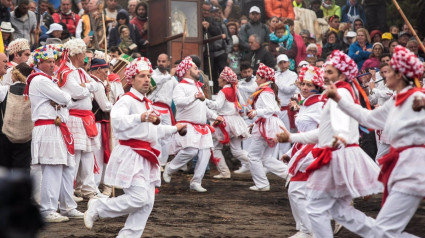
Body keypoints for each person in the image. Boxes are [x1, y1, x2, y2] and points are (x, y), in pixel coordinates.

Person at [276, 50, 382, 238]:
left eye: (330, 72)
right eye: (325, 71)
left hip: (335, 154)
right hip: (336, 151)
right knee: (339, 211)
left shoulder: (339, 92)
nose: (324, 75)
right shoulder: (340, 91)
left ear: (342, 75)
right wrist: (292, 139)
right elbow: (323, 130)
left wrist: (339, 135)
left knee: (316, 206)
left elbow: (339, 120)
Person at [324, 45, 424, 238]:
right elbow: (367, 118)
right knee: (385, 232)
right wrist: (338, 98)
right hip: (402, 167)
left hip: (413, 168)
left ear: (400, 75)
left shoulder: (417, 97)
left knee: (383, 231)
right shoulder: (396, 101)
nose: (384, 74)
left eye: (389, 70)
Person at [84, 57, 186, 237]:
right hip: (131, 154)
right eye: (141, 76)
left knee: (147, 203)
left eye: (148, 75)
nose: (147, 79)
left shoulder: (147, 103)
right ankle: (99, 206)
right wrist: (141, 117)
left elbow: (152, 131)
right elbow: (117, 121)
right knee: (139, 198)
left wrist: (174, 129)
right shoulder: (126, 100)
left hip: (146, 155)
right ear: (131, 79)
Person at [26, 45, 84, 222]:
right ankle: (47, 209)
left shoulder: (48, 81)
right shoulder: (40, 80)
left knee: (67, 167)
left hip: (58, 127)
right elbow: (66, 99)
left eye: (53, 61)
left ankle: (68, 206)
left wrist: (62, 101)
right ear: (39, 63)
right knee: (52, 167)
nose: (52, 65)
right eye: (48, 62)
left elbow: (67, 104)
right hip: (48, 128)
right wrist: (62, 100)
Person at [163, 56, 223, 192]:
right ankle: (170, 168)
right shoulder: (180, 86)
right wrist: (194, 97)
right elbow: (178, 102)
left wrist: (214, 116)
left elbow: (203, 107)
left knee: (205, 154)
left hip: (202, 126)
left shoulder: (198, 87)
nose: (198, 71)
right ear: (187, 71)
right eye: (195, 68)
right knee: (191, 151)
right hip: (188, 125)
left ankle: (196, 182)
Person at [284, 65, 325, 238]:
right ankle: (305, 229)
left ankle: (311, 231)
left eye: (309, 84)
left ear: (317, 86)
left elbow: (323, 131)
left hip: (313, 151)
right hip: (303, 149)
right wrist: (291, 151)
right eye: (303, 84)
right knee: (298, 191)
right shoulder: (307, 104)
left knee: (296, 190)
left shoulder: (320, 104)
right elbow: (301, 133)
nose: (305, 87)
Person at [60, 39, 103, 199]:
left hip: (86, 118)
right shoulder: (66, 72)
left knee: (87, 155)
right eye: (83, 53)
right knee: (74, 156)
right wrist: (87, 88)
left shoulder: (81, 72)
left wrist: (86, 87)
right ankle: (69, 191)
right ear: (77, 54)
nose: (85, 56)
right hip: (74, 118)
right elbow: (77, 92)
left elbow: (94, 86)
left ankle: (88, 189)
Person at [246, 63, 288, 191]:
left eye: (258, 77)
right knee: (265, 158)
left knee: (253, 156)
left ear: (264, 79)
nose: (255, 79)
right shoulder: (266, 91)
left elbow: (271, 109)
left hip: (268, 125)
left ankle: (262, 184)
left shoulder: (266, 92)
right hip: (269, 124)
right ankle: (289, 174)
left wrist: (256, 112)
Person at [205, 67, 250, 179]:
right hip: (236, 121)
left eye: (220, 77)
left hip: (224, 122)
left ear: (225, 80)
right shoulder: (236, 90)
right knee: (237, 151)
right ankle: (256, 162)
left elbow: (217, 106)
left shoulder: (223, 91)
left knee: (215, 147)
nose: (218, 79)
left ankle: (224, 172)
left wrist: (204, 100)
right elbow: (243, 107)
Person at [0, 63, 33, 173]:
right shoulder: (33, 91)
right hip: (27, 136)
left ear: (14, 75)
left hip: (7, 135)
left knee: (6, 168)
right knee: (23, 169)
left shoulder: (5, 90)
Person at [89, 58, 113, 197]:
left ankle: (96, 185)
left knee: (98, 155)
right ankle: (95, 187)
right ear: (98, 70)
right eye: (105, 71)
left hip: (99, 123)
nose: (107, 74)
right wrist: (118, 107)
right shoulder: (95, 83)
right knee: (96, 156)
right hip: (96, 124)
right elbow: (105, 106)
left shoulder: (97, 83)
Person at [148, 54, 178, 168]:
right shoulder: (153, 74)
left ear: (168, 63)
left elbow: (178, 88)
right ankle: (156, 162)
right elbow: (157, 82)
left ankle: (163, 163)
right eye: (159, 61)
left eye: (163, 61)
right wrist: (170, 75)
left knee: (167, 137)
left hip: (166, 110)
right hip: (155, 107)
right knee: (156, 136)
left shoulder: (172, 78)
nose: (161, 63)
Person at [275, 54, 298, 159]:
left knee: (286, 134)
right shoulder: (276, 75)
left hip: (287, 109)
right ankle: (276, 159)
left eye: (284, 62)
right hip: (277, 109)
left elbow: (288, 89)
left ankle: (284, 159)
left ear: (288, 63)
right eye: (280, 62)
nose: (283, 64)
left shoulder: (293, 75)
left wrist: (277, 83)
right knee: (276, 135)